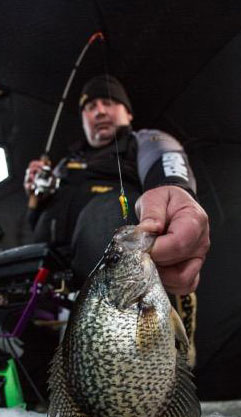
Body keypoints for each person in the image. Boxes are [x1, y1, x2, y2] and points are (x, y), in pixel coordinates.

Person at [24, 75, 210, 294]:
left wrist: (174, 188)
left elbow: (166, 161)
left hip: (109, 288)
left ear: (128, 113)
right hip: (42, 287)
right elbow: (37, 224)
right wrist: (35, 200)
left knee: (105, 210)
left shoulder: (145, 141)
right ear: (83, 118)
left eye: (109, 102)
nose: (100, 111)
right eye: (91, 106)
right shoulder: (64, 164)